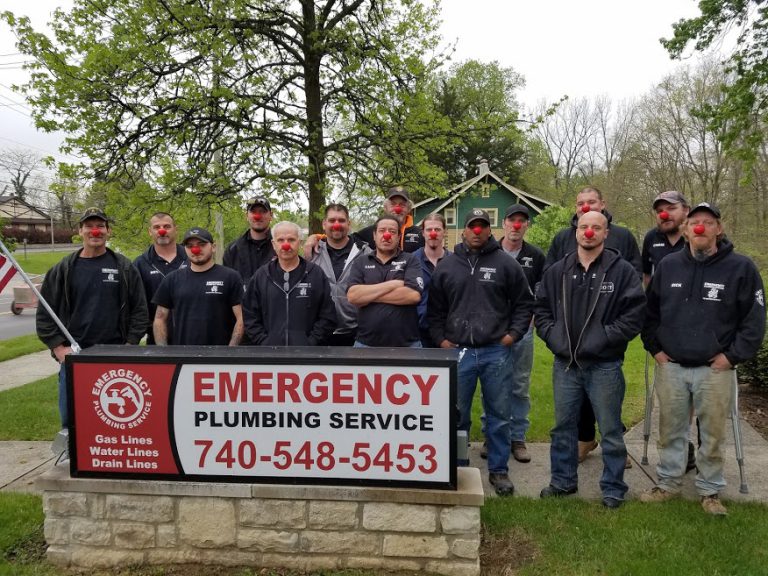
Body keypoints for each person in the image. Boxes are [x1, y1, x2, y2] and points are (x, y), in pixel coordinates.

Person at [640, 203, 765, 516]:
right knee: (670, 429)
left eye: (708, 222)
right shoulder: (668, 266)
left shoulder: (741, 268)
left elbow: (754, 319)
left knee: (712, 433)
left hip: (715, 368)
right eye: (694, 222)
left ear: (718, 229)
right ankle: (668, 482)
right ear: (684, 229)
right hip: (672, 366)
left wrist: (732, 356)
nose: (700, 228)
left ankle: (710, 490)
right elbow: (649, 314)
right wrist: (656, 350)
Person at [536, 211, 645, 509]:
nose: (589, 232)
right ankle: (562, 481)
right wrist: (554, 337)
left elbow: (634, 315)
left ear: (606, 233)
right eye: (584, 227)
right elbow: (542, 309)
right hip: (566, 365)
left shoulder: (621, 271)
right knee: (563, 428)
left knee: (610, 430)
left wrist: (603, 338)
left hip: (605, 366)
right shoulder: (558, 270)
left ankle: (612, 487)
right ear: (575, 232)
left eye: (596, 228)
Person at [428, 209, 534, 496]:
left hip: (494, 352)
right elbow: (434, 309)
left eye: (482, 226)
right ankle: (460, 468)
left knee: (499, 414)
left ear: (490, 230)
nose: (477, 231)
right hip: (458, 353)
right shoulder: (448, 266)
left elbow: (525, 304)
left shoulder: (505, 264)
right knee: (456, 415)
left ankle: (499, 471)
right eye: (472, 226)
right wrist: (441, 340)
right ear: (463, 231)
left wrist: (512, 335)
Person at [546, 186, 642, 463]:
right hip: (570, 336)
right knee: (575, 396)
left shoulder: (622, 236)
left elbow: (633, 278)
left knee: (606, 392)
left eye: (591, 202)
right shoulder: (563, 237)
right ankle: (585, 439)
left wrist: (609, 332)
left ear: (603, 204)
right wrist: (554, 331)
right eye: (580, 204)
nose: (585, 207)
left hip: (606, 337)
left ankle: (614, 446)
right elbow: (548, 281)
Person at [36, 207, 148, 430]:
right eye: (89, 226)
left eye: (100, 226)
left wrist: (129, 345)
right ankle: (71, 453)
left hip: (115, 356)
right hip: (75, 356)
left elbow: (140, 311)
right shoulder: (62, 270)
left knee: (117, 417)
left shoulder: (124, 267)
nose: (95, 231)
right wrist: (60, 350)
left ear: (108, 231)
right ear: (80, 231)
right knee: (72, 419)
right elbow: (45, 315)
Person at [641, 190, 697, 472]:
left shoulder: (697, 237)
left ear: (685, 210)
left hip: (697, 325)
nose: (664, 214)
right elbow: (647, 277)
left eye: (670, 208)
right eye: (660, 209)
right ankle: (680, 447)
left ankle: (692, 445)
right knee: (673, 392)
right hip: (664, 326)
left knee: (697, 393)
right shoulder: (652, 239)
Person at [499, 203, 545, 463]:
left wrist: (536, 316)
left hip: (524, 330)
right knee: (494, 385)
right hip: (494, 330)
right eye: (512, 220)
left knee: (519, 385)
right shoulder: (490, 251)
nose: (516, 225)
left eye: (522, 221)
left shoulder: (536, 256)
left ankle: (517, 437)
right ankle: (495, 435)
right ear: (504, 223)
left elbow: (542, 290)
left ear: (527, 225)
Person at [243, 221, 336, 346]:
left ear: (300, 243)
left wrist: (311, 342)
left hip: (307, 356)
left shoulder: (316, 274)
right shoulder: (261, 276)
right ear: (273, 244)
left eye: (291, 239)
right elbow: (250, 315)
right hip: (271, 354)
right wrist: (264, 342)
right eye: (280, 240)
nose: (286, 245)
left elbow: (327, 315)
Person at [153, 227, 244, 346]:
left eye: (202, 244)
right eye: (190, 246)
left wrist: (230, 351)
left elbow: (242, 318)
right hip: (183, 355)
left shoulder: (230, 277)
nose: (195, 249)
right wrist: (163, 352)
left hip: (218, 357)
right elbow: (160, 318)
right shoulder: (172, 279)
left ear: (213, 247)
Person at [347, 215, 423, 348]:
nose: (387, 235)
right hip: (365, 344)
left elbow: (413, 295)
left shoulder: (411, 260)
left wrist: (368, 295)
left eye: (392, 232)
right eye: (382, 231)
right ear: (374, 236)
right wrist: (393, 284)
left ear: (399, 237)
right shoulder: (360, 262)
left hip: (407, 345)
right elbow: (353, 296)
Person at [308, 204, 371, 346]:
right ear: (324, 224)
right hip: (319, 333)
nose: (337, 225)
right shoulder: (311, 252)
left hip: (356, 334)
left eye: (341, 220)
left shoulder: (366, 253)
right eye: (332, 220)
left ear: (349, 224)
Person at [305, 186, 424, 256]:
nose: (397, 209)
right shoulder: (371, 231)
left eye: (402, 205)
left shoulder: (419, 233)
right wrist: (317, 237)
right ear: (385, 207)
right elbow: (345, 239)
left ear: (409, 208)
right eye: (393, 204)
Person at [133, 212, 188, 344]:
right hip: (156, 336)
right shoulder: (140, 263)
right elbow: (137, 304)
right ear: (150, 232)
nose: (162, 231)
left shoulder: (191, 258)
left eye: (167, 226)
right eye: (157, 227)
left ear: (176, 229)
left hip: (190, 334)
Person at [413, 213, 449, 348]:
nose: (433, 233)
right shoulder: (411, 261)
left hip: (447, 334)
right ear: (423, 233)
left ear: (445, 232)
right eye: (429, 230)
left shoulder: (455, 261)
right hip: (418, 333)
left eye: (438, 229)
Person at [223, 196, 276, 283]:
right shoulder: (233, 249)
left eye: (263, 211)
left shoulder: (279, 247)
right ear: (246, 216)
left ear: (271, 215)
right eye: (253, 211)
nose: (258, 216)